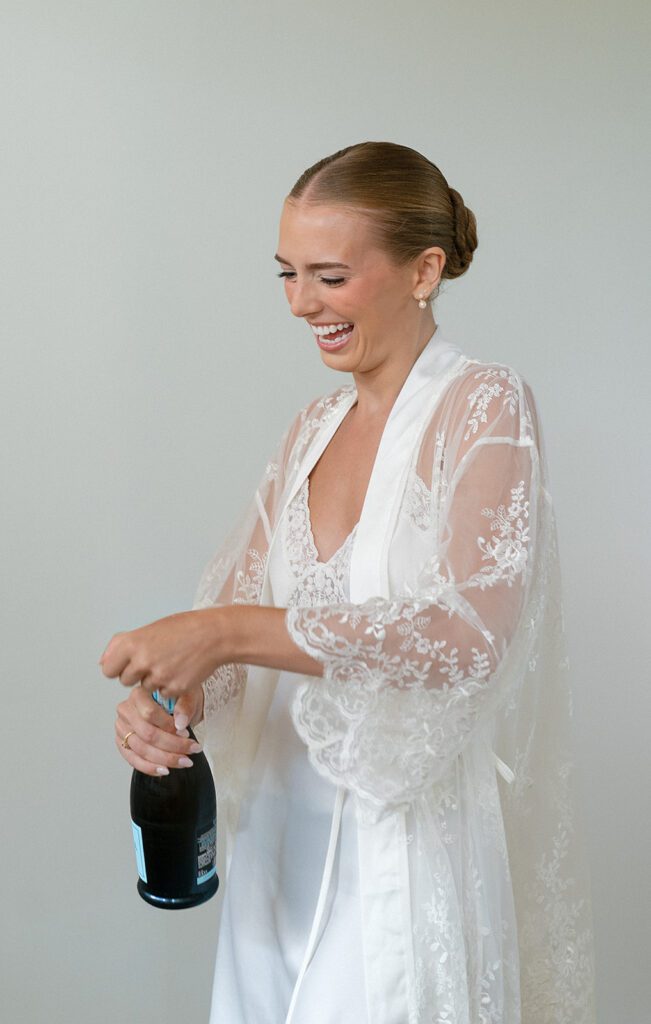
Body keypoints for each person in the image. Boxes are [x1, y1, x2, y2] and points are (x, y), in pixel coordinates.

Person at [100, 141, 598, 1023]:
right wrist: (174, 710)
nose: (301, 304)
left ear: (424, 269)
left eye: (328, 276)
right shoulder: (311, 429)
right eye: (287, 274)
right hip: (274, 849)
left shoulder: (483, 406)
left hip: (399, 849)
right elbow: (231, 639)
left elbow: (469, 637)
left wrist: (218, 632)